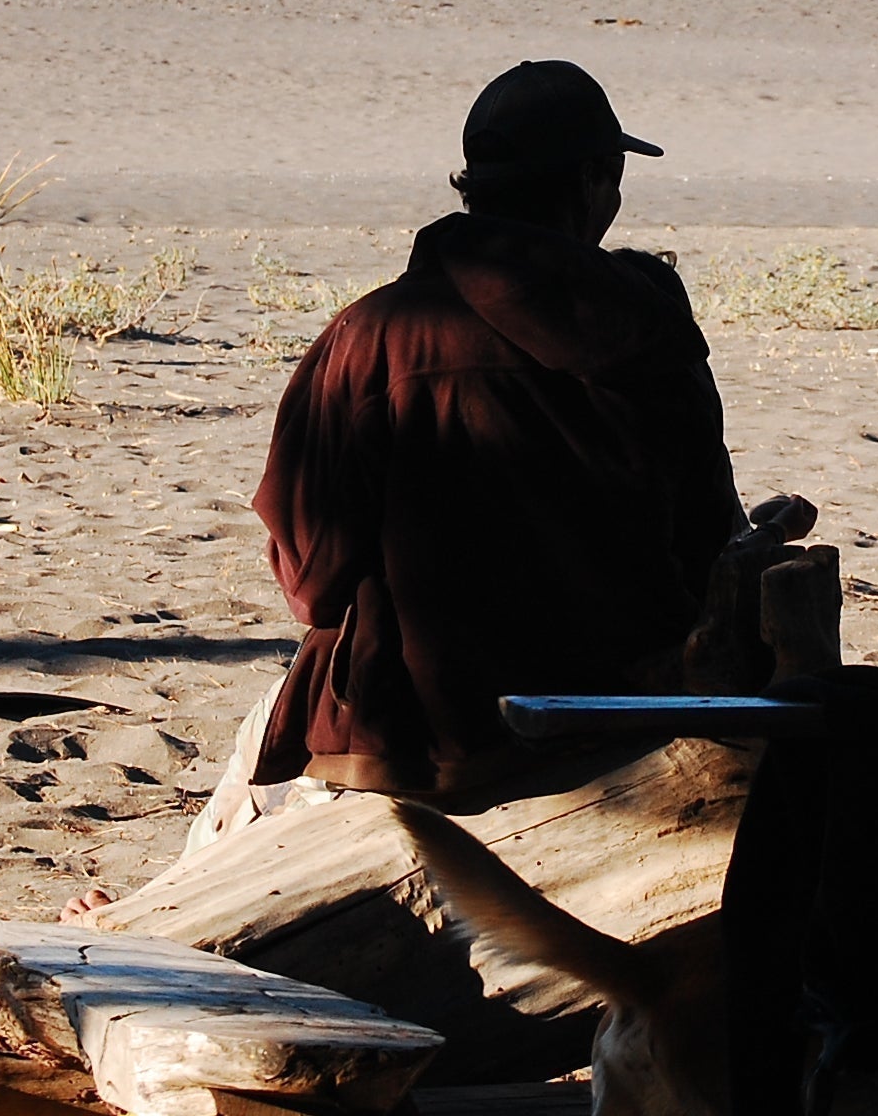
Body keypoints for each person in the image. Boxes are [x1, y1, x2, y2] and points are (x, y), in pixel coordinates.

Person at [247, 59, 739, 800]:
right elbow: (710, 542)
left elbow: (314, 585)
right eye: (614, 178)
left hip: (430, 743)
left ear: (473, 188)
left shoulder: (371, 335)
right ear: (591, 183)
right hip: (629, 704)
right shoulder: (651, 328)